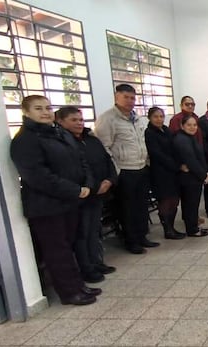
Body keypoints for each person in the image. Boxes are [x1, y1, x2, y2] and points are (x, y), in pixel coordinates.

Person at [10, 95, 99, 305]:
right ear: (26, 112)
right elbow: (38, 176)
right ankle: (69, 293)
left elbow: (81, 160)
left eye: (48, 108)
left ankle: (78, 285)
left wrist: (86, 184)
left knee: (68, 246)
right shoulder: (25, 140)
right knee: (57, 250)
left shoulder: (58, 133)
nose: (45, 112)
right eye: (38, 108)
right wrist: (75, 190)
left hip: (70, 201)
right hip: (47, 206)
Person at [56, 106, 118, 283]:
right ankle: (87, 268)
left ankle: (97, 262)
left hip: (99, 192)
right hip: (82, 195)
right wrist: (93, 186)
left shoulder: (91, 139)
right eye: (73, 120)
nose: (79, 123)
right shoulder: (65, 143)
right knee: (82, 234)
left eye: (81, 120)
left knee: (94, 230)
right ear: (60, 122)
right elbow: (79, 170)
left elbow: (107, 160)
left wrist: (109, 180)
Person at [94, 84, 158, 254]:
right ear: (116, 97)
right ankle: (131, 241)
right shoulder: (107, 119)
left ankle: (142, 236)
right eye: (126, 97)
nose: (130, 101)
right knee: (127, 209)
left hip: (141, 167)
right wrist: (115, 172)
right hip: (124, 170)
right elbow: (103, 148)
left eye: (132, 98)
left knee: (141, 206)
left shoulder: (137, 118)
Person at [144, 107, 186, 240]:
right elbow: (156, 154)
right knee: (165, 200)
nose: (159, 119)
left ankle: (172, 227)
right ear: (149, 118)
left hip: (173, 172)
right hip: (160, 172)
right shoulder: (149, 132)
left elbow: (175, 148)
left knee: (174, 200)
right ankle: (167, 229)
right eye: (156, 117)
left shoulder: (167, 130)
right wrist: (175, 165)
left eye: (161, 116)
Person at [173, 115, 208, 237]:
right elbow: (191, 160)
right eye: (189, 125)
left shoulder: (190, 137)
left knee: (193, 204)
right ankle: (192, 230)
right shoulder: (181, 139)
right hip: (189, 178)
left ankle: (194, 226)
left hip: (194, 177)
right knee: (190, 204)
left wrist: (206, 172)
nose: (192, 127)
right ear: (182, 126)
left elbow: (199, 157)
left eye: (194, 125)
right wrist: (203, 175)